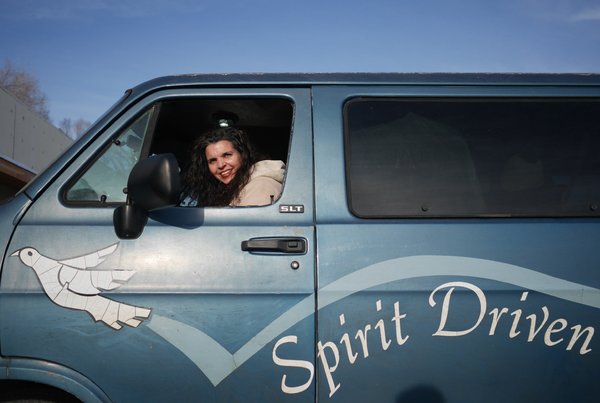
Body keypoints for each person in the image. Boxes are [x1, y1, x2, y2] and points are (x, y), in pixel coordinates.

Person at [180, 127, 285, 207]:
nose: (220, 165)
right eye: (212, 160)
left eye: (227, 155)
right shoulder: (230, 189)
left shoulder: (261, 186)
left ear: (243, 154)